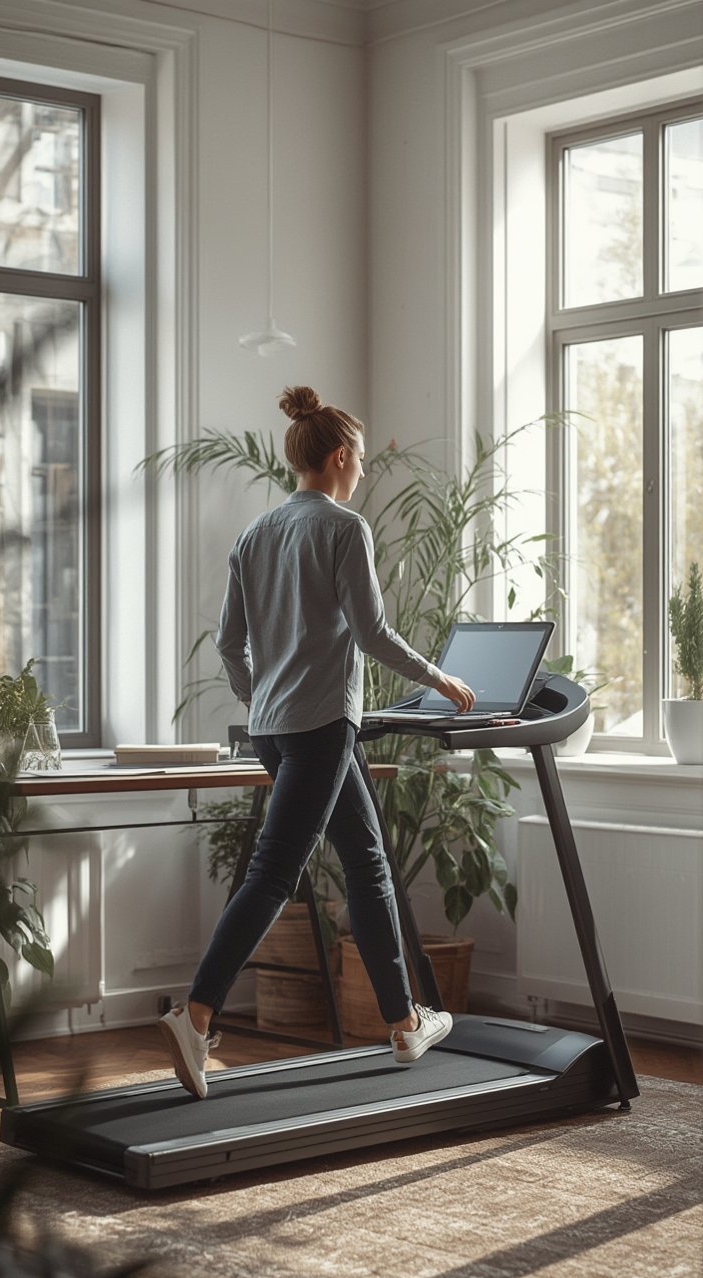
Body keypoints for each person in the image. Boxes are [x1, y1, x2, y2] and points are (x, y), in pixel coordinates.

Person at [161, 385, 475, 1099]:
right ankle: (197, 1013)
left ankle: (402, 1023)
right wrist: (437, 675)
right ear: (339, 456)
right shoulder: (343, 528)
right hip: (323, 725)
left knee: (366, 861)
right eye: (359, 460)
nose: (361, 471)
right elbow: (370, 634)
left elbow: (228, 643)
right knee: (275, 872)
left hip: (273, 726)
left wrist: (258, 694)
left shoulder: (256, 533)